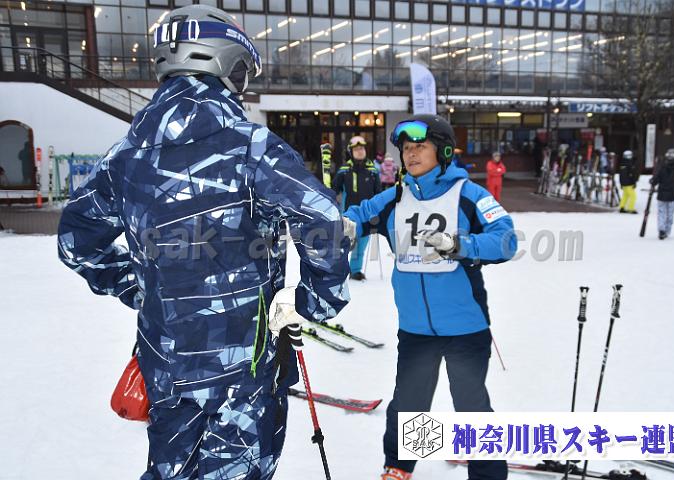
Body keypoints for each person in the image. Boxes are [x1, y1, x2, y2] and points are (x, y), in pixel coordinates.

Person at [56, 6, 350, 479]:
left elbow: (77, 240)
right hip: (242, 366)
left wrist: (141, 288)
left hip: (165, 360)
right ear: (225, 62)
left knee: (171, 469)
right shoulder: (251, 146)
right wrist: (313, 301)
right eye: (242, 71)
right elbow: (323, 220)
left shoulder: (125, 156)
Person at [343, 114, 517, 480]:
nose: (410, 154)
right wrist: (331, 225)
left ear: (444, 151)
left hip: (465, 327)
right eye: (406, 148)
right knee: (409, 404)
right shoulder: (395, 197)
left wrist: (461, 245)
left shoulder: (468, 195)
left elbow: (506, 240)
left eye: (420, 146)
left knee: (471, 406)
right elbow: (356, 216)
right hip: (416, 328)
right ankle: (399, 467)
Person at [332, 135, 382, 280]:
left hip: (366, 214)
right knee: (346, 244)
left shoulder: (372, 170)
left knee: (362, 245)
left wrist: (378, 211)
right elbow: (334, 189)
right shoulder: (344, 170)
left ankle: (355, 271)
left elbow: (378, 193)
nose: (360, 151)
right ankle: (337, 270)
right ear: (351, 152)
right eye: (357, 149)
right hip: (349, 213)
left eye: (362, 149)